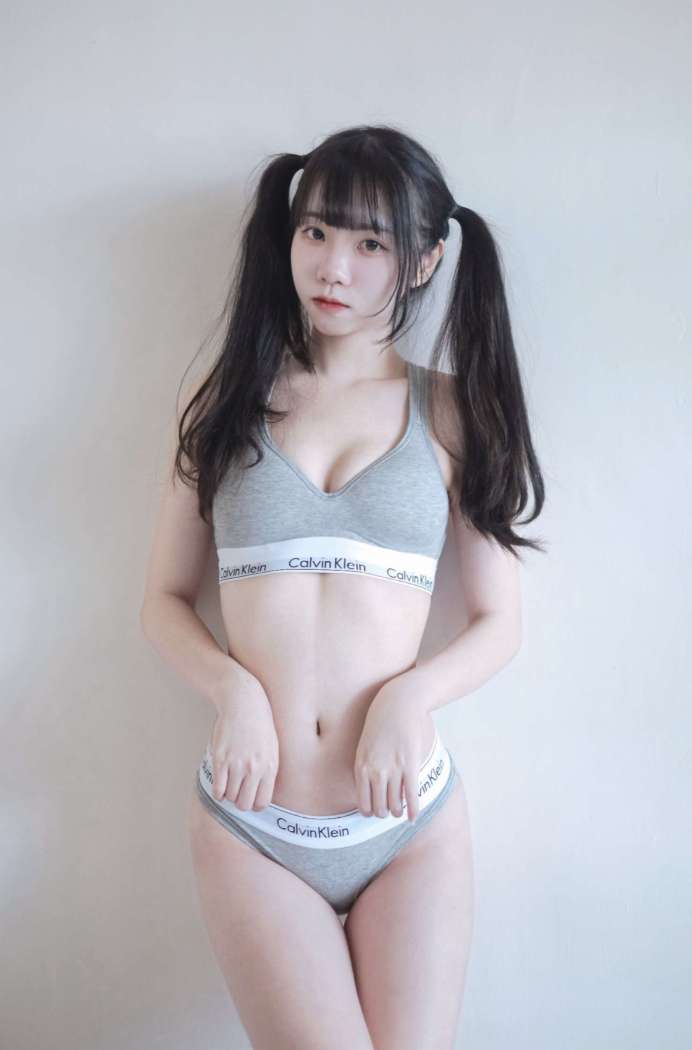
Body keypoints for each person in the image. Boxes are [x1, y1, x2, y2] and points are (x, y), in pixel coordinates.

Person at [140, 123, 546, 1050]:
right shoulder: (229, 399)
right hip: (254, 822)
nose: (334, 266)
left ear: (425, 261)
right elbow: (162, 598)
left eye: (372, 245)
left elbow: (499, 620)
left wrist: (412, 695)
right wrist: (233, 690)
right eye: (317, 232)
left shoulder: (453, 411)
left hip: (408, 825)